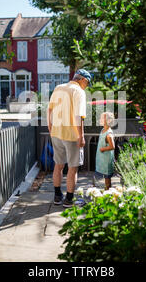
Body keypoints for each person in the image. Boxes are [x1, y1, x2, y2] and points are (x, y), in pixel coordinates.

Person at [47, 69, 92, 208]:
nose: (87, 86)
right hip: (72, 135)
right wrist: (81, 136)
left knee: (58, 165)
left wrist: (51, 129)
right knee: (73, 168)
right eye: (88, 83)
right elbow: (79, 116)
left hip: (56, 133)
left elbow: (49, 110)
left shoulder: (58, 88)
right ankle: (69, 199)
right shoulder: (79, 92)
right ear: (83, 79)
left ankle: (57, 196)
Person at [95, 112, 116, 190]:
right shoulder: (103, 130)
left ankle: (108, 191)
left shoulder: (108, 134)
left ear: (109, 121)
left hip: (106, 159)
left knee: (107, 177)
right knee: (105, 176)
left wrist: (103, 149)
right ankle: (106, 190)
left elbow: (112, 146)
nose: (100, 119)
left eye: (102, 118)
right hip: (103, 158)